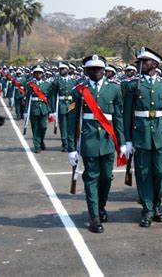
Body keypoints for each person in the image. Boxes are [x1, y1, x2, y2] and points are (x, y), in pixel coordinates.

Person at [67, 54, 127, 233]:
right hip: (89, 140)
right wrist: (72, 148)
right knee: (91, 178)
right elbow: (72, 121)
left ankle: (101, 207)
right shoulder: (78, 90)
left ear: (105, 70)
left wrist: (122, 142)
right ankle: (94, 216)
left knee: (106, 177)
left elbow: (118, 118)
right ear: (86, 71)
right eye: (92, 69)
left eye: (99, 69)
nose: (97, 72)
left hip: (108, 140)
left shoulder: (115, 89)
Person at [123, 47, 162, 227]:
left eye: (145, 61)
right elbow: (127, 114)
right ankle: (147, 209)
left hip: (160, 134)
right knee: (143, 174)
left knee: (159, 173)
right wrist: (127, 140)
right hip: (141, 134)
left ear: (155, 64)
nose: (141, 64)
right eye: (139, 62)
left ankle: (157, 205)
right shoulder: (132, 85)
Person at [24, 65, 54, 153]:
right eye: (36, 73)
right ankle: (37, 145)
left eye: (40, 73)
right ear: (33, 74)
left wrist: (51, 110)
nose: (38, 75)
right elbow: (28, 98)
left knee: (43, 127)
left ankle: (41, 141)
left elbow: (49, 98)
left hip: (44, 108)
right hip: (34, 108)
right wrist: (26, 111)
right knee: (35, 128)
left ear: (42, 74)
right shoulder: (30, 85)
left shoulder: (47, 84)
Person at [50, 62, 77, 152]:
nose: (61, 70)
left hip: (71, 105)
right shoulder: (56, 81)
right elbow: (53, 95)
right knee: (63, 126)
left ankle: (72, 143)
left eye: (64, 69)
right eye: (60, 69)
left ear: (68, 70)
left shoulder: (73, 81)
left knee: (72, 126)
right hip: (61, 104)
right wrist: (53, 110)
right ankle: (65, 144)